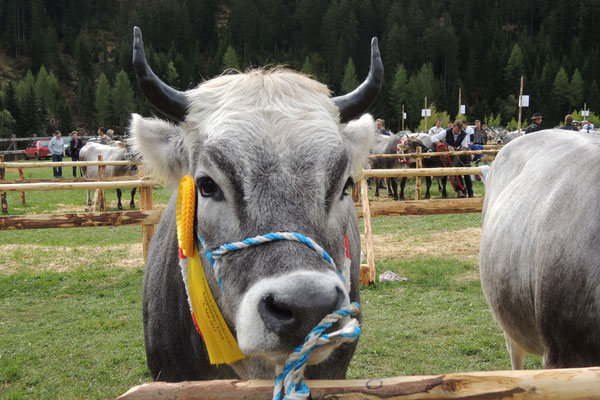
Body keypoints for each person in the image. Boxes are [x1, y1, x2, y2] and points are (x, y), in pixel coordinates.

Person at [431, 120, 473, 198]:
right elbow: (433, 138)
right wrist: (442, 144)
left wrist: (457, 150)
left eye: (459, 131)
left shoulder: (464, 134)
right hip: (448, 156)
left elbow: (464, 146)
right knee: (457, 173)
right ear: (453, 127)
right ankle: (461, 191)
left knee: (467, 173)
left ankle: (470, 193)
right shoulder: (446, 131)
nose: (457, 132)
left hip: (459, 154)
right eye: (456, 130)